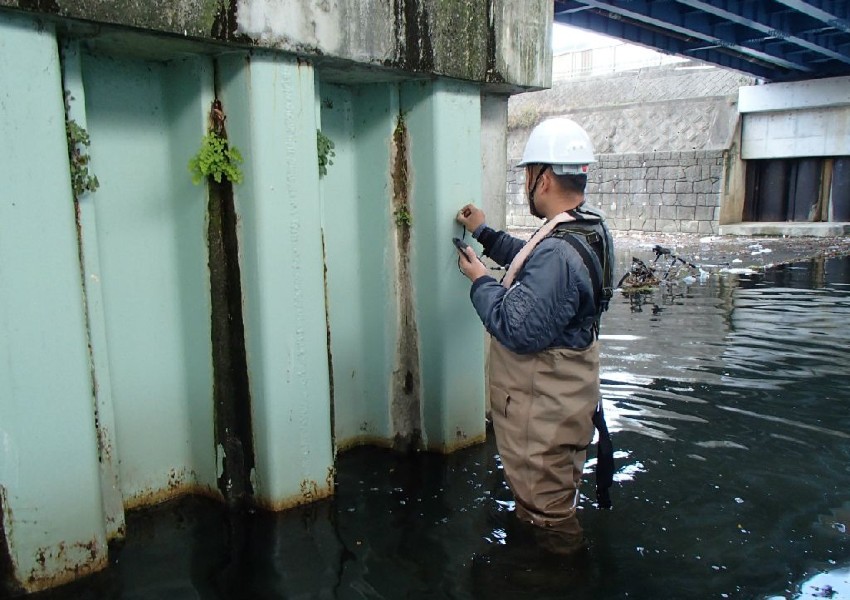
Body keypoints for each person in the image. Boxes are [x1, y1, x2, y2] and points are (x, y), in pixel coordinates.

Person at [455, 117, 614, 553]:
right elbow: (534, 259)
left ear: (542, 177)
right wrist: (485, 235)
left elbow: (516, 327)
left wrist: (479, 281)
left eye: (528, 173)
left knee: (548, 517)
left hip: (546, 407)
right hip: (567, 398)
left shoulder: (560, 252)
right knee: (553, 499)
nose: (526, 182)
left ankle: (558, 581)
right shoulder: (586, 227)